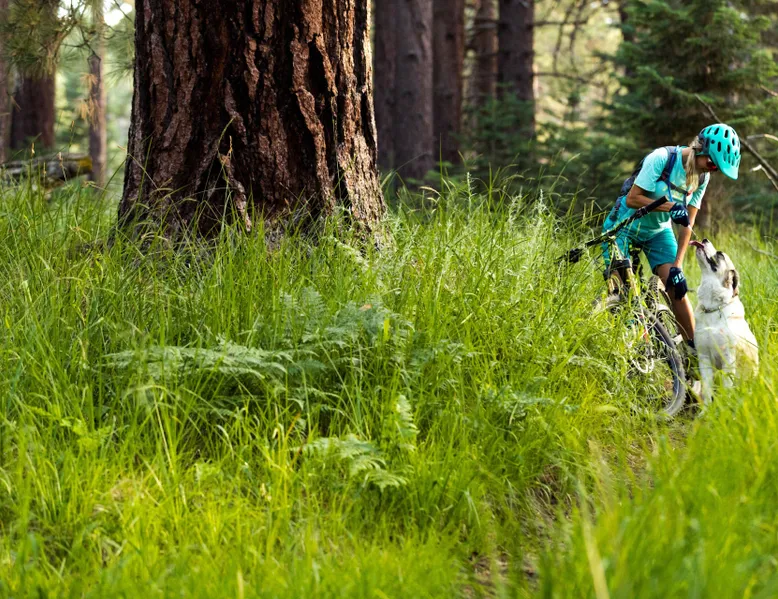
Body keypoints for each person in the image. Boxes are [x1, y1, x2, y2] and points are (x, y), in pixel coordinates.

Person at [602, 124, 741, 353]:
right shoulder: (661, 159)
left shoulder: (702, 178)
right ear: (700, 149)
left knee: (677, 287)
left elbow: (688, 223)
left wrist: (677, 265)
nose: (712, 169)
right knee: (620, 292)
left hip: (657, 232)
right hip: (624, 226)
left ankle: (693, 354)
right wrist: (670, 206)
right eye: (712, 163)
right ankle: (628, 349)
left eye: (716, 168)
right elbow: (632, 199)